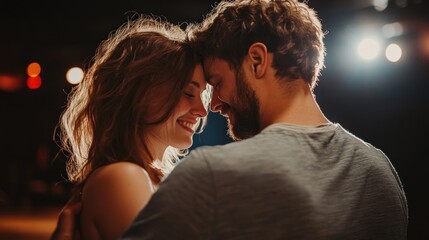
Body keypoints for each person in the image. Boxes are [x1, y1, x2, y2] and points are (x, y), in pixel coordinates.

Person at [52, 0, 409, 239]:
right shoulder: (381, 170)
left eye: (214, 84)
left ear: (257, 61)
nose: (213, 106)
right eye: (192, 92)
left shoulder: (211, 174)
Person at [51, 15, 210, 240]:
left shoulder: (140, 178)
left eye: (202, 95)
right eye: (187, 93)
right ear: (139, 94)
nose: (202, 111)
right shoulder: (123, 177)